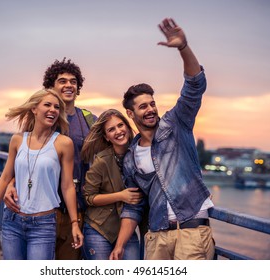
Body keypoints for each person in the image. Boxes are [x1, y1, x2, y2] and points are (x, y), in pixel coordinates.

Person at [110, 18, 215, 260]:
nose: (150, 109)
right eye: (143, 106)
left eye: (152, 104)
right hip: (157, 236)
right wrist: (119, 245)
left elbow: (195, 85)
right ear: (130, 113)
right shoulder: (131, 157)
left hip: (191, 231)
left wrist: (183, 47)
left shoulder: (175, 124)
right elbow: (134, 205)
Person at [3, 58, 97, 260]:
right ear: (50, 87)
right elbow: (25, 158)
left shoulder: (89, 120)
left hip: (74, 209)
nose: (69, 85)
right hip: (38, 210)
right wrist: (11, 183)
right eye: (62, 81)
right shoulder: (42, 117)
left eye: (73, 81)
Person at [0, 88, 83, 260]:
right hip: (12, 221)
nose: (53, 110)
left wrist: (74, 223)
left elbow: (67, 186)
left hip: (43, 225)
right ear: (34, 109)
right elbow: (5, 177)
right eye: (47, 105)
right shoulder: (17, 140)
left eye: (57, 107)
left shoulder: (63, 144)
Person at [80, 109, 142, 260]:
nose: (118, 131)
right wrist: (120, 196)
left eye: (121, 125)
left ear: (127, 127)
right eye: (111, 129)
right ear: (107, 137)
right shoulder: (101, 161)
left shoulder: (139, 155)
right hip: (99, 229)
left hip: (126, 229)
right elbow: (88, 197)